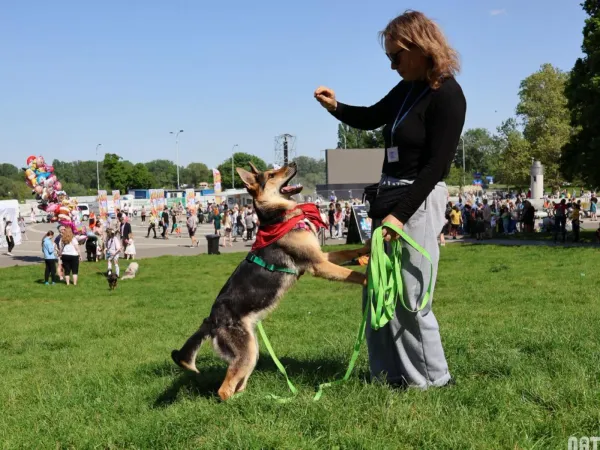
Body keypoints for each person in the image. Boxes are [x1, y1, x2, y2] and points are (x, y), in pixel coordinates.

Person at [315, 10, 466, 389]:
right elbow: (370, 117)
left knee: (411, 297)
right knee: (379, 291)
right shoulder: (407, 89)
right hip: (391, 198)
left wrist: (400, 217)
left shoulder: (447, 94)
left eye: (395, 57)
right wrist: (337, 107)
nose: (392, 65)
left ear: (419, 47)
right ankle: (389, 377)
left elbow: (436, 167)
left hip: (418, 200)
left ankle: (433, 380)